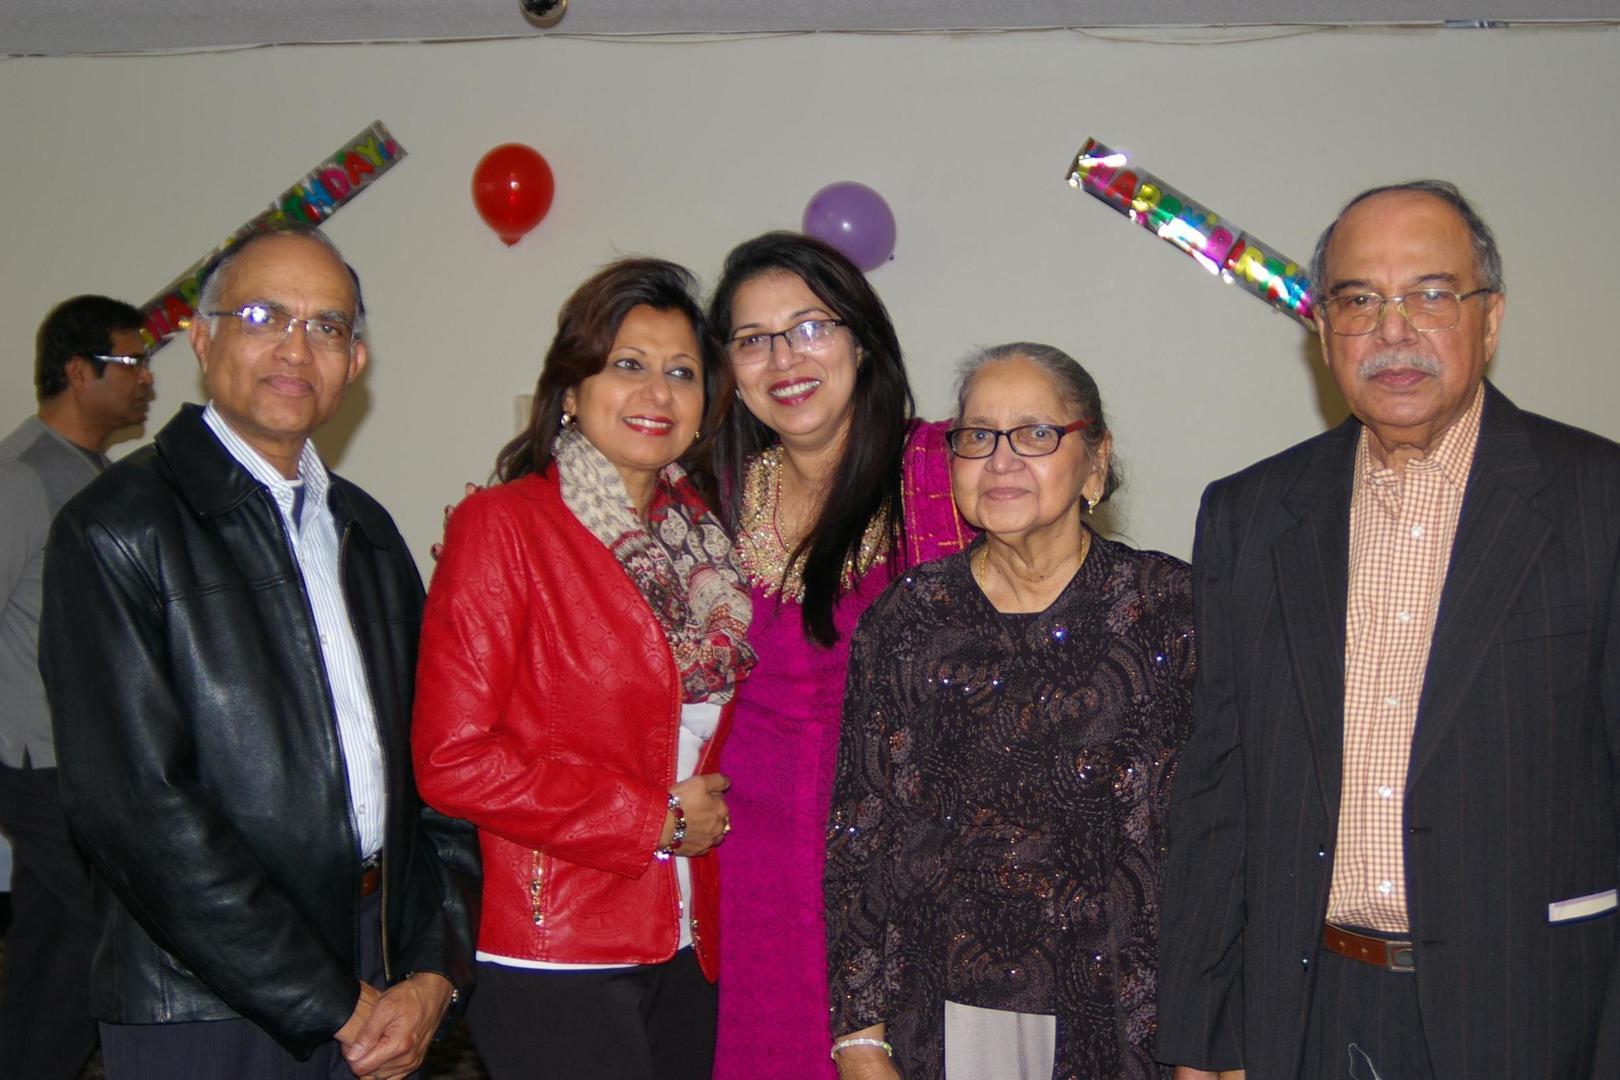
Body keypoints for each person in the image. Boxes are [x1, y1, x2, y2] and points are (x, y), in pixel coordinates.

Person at [1157, 180, 1620, 1080]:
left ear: (1490, 319)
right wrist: (1203, 1033)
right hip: (1307, 1009)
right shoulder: (1251, 515)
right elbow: (1219, 790)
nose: (1392, 331)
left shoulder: (1597, 501)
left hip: (1539, 1013)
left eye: (1431, 295)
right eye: (1359, 300)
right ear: (1323, 329)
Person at [37, 226, 479, 1080]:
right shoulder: (115, 530)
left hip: (378, 959)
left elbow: (438, 767)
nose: (295, 347)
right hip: (203, 992)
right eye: (262, 315)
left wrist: (433, 970)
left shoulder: (366, 532)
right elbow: (136, 812)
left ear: (355, 363)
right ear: (201, 340)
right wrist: (328, 998)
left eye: (327, 326)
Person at [412, 258, 754, 1080]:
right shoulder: (503, 527)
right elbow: (452, 760)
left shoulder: (708, 548)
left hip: (686, 937)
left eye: (682, 372)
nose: (657, 393)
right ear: (571, 388)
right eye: (628, 364)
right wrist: (649, 820)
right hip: (556, 945)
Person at [824, 343, 1194, 1080]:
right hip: (952, 1008)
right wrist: (859, 1037)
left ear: (1095, 462)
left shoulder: (1169, 610)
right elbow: (863, 833)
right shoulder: (909, 620)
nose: (1000, 460)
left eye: (1035, 433)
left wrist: (1215, 1038)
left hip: (1135, 1011)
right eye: (977, 436)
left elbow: (1220, 838)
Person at [702, 232, 970, 1079]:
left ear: (862, 339)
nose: (785, 359)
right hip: (740, 875)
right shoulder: (704, 494)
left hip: (902, 877)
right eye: (754, 339)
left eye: (810, 327)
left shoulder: (946, 478)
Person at [0, 294, 153, 1080]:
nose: (147, 380)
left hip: (85, 755)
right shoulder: (22, 477)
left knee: (55, 941)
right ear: (76, 372)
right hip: (33, 760)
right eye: (131, 363)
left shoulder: (97, 476)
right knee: (118, 927)